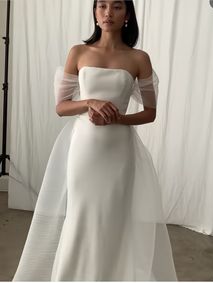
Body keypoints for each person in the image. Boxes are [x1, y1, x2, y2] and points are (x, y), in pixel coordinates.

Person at [13, 0, 178, 281]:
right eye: (101, 6)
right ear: (94, 12)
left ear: (127, 14)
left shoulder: (139, 58)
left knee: (114, 218)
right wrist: (90, 101)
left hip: (119, 150)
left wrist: (117, 118)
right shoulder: (78, 52)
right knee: (80, 215)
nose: (107, 13)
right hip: (85, 149)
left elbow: (150, 113)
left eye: (116, 7)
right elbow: (61, 107)